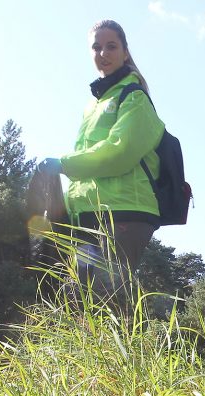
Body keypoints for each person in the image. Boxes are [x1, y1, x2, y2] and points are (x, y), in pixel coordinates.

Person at [36, 19, 165, 301]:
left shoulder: (135, 98)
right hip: (90, 213)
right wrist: (62, 208)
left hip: (124, 211)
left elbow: (118, 153)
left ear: (125, 52)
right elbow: (91, 164)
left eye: (111, 46)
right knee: (79, 302)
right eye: (96, 48)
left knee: (108, 301)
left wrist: (63, 164)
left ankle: (135, 346)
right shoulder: (93, 105)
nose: (103, 54)